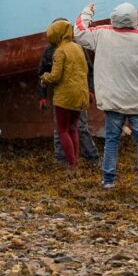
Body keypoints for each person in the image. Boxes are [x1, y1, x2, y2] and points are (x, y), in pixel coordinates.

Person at [78, 2, 138, 190]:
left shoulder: (102, 34)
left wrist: (87, 12)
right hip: (137, 101)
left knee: (112, 141)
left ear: (113, 18)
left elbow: (78, 32)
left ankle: (108, 180)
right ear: (135, 19)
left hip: (113, 101)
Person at [39, 17, 92, 168]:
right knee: (73, 129)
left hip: (65, 97)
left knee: (62, 131)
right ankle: (76, 159)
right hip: (80, 95)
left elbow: (55, 76)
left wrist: (44, 78)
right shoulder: (78, 47)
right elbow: (86, 70)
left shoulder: (59, 51)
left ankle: (72, 164)